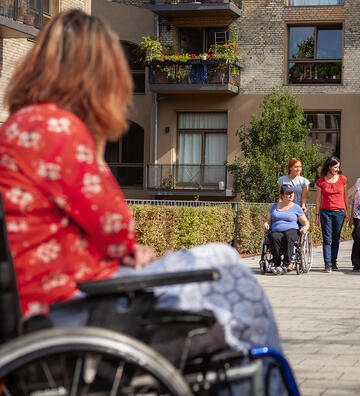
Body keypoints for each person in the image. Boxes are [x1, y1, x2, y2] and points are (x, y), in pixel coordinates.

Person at [0, 9, 282, 363]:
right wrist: (128, 248)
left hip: (29, 299)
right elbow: (115, 223)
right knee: (223, 262)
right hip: (67, 301)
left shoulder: (17, 128)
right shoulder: (58, 130)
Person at [263, 183, 310, 274]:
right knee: (274, 237)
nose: (291, 195)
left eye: (292, 193)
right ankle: (276, 264)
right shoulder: (274, 206)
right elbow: (268, 220)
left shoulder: (296, 208)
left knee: (288, 236)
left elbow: (306, 222)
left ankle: (286, 264)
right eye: (288, 193)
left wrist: (305, 227)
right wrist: (266, 223)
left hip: (292, 230)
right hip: (276, 230)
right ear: (282, 195)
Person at [315, 156, 349, 273]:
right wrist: (317, 215)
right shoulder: (321, 182)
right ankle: (327, 264)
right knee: (327, 239)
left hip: (339, 212)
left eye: (338, 167)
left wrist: (347, 212)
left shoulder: (343, 179)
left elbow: (345, 196)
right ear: (329, 167)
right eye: (335, 167)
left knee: (336, 238)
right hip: (326, 213)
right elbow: (318, 200)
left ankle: (334, 262)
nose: (337, 169)